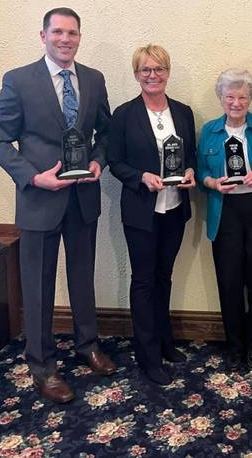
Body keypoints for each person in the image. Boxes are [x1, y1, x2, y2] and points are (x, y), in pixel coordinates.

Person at [0, 7, 116, 404]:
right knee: (39, 286)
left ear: (80, 37)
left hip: (82, 200)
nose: (65, 39)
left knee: (82, 277)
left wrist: (98, 159)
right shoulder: (19, 80)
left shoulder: (93, 79)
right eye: (57, 32)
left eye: (72, 33)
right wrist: (32, 176)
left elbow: (106, 133)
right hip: (39, 200)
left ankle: (87, 345)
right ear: (42, 35)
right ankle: (42, 365)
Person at [106, 44, 197, 386]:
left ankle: (165, 341)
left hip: (174, 209)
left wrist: (189, 170)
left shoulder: (184, 112)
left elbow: (194, 155)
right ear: (136, 75)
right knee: (143, 281)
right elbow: (115, 162)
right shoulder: (124, 114)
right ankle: (148, 356)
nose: (152, 75)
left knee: (164, 277)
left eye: (158, 69)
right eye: (145, 70)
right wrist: (141, 177)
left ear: (167, 72)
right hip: (142, 212)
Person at [197, 69, 252, 371]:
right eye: (229, 97)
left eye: (242, 97)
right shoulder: (209, 131)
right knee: (229, 282)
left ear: (251, 99)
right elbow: (198, 173)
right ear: (220, 98)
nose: (236, 102)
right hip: (225, 213)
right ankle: (235, 345)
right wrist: (211, 183)